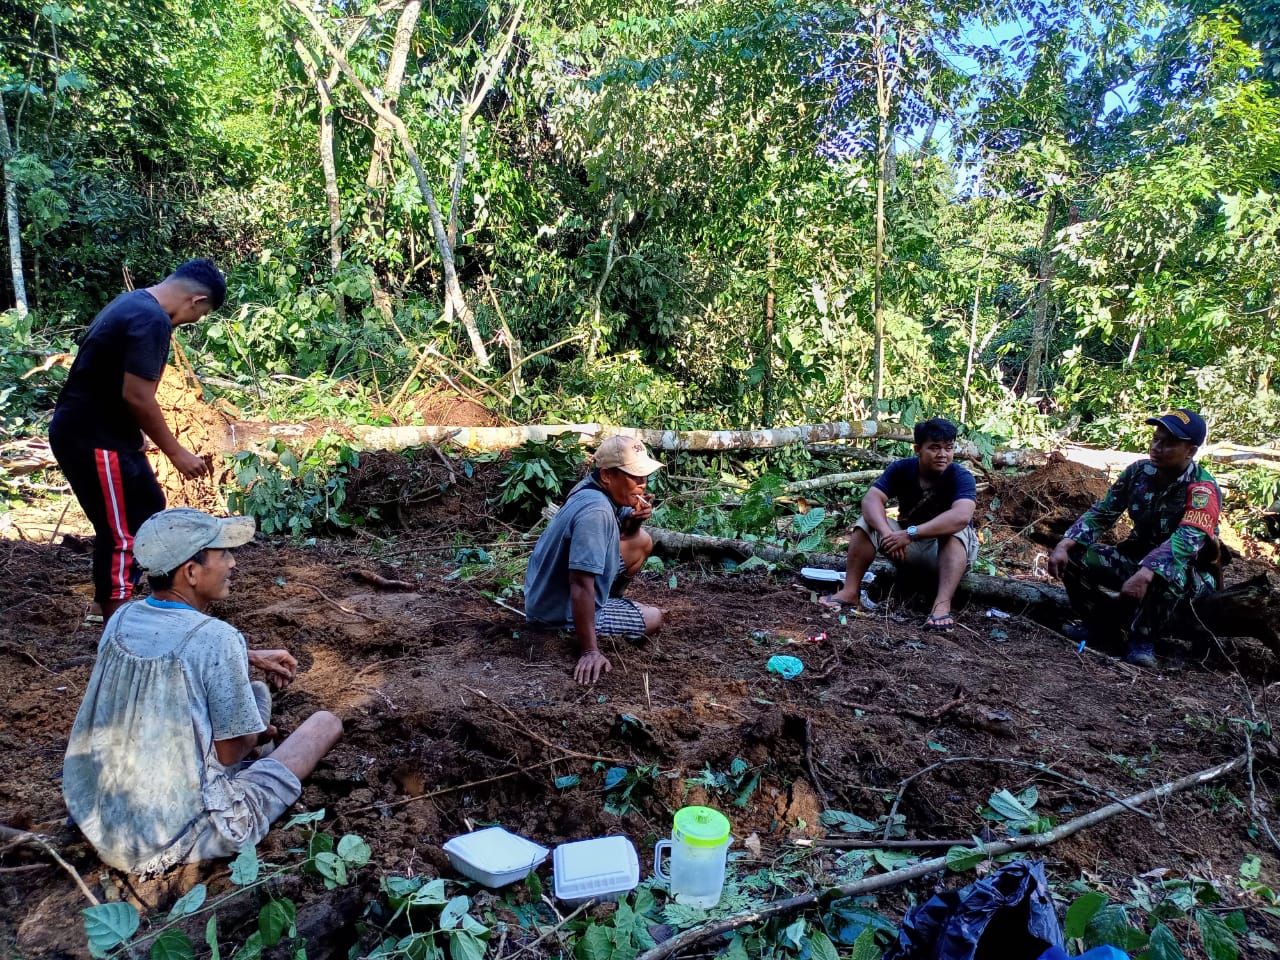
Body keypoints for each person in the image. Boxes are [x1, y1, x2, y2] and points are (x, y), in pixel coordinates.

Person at [62, 508, 343, 875]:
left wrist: (247, 655)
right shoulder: (219, 638)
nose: (233, 562)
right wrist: (256, 734)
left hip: (100, 817)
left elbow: (170, 652)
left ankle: (257, 744)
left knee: (255, 691)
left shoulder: (121, 618)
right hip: (180, 833)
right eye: (222, 553)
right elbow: (228, 753)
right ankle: (262, 756)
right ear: (191, 572)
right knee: (324, 723)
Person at [49, 259, 226, 622]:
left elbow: (112, 380)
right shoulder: (152, 319)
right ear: (197, 300)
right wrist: (176, 453)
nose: (195, 320)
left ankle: (111, 601)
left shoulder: (131, 303)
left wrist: (137, 431)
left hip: (108, 433)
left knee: (148, 505)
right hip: (94, 438)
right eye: (202, 313)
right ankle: (116, 618)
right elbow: (138, 396)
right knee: (122, 533)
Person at [1047, 409, 1221, 668]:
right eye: (1156, 439)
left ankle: (1142, 639)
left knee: (1169, 573)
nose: (1157, 448)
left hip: (1188, 575)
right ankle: (1099, 625)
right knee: (1073, 557)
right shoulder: (1139, 472)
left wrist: (1147, 572)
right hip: (1136, 558)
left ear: (1190, 451)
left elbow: (1188, 539)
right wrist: (1065, 543)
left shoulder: (1202, 488)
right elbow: (1104, 512)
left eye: (1169, 443)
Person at [524, 435, 665, 684]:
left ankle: (606, 603)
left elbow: (625, 536)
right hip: (555, 612)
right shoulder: (597, 512)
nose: (642, 484)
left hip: (543, 594)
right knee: (654, 616)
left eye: (644, 476)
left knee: (642, 540)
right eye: (634, 476)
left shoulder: (590, 487)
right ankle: (586, 621)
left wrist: (635, 521)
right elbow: (580, 584)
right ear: (607, 475)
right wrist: (590, 651)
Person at [818, 418, 979, 631]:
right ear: (918, 449)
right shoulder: (902, 469)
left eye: (948, 448)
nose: (943, 454)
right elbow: (871, 500)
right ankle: (850, 591)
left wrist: (910, 533)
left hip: (947, 553)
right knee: (867, 522)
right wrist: (887, 534)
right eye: (934, 448)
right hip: (907, 548)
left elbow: (961, 516)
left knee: (956, 531)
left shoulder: (961, 476)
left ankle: (941, 605)